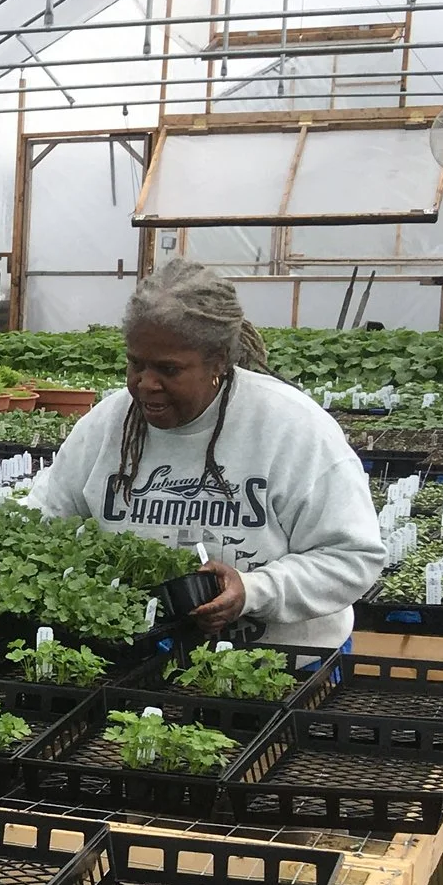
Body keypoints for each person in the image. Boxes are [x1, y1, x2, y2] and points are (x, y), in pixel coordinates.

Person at [35, 259, 382, 646]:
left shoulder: (291, 427)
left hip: (279, 666)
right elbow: (46, 516)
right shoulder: (108, 425)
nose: (146, 384)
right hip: (138, 660)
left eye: (169, 369)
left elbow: (352, 556)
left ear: (218, 361)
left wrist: (253, 590)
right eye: (136, 363)